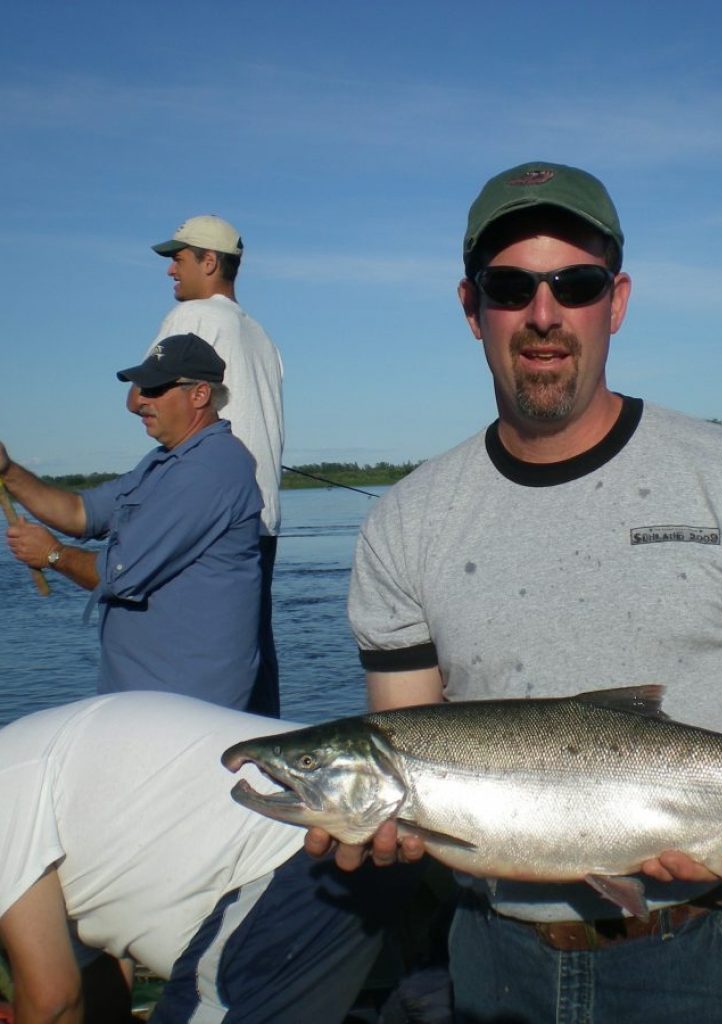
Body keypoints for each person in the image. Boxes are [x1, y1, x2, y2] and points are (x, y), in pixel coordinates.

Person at [312, 162, 722, 1022]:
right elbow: (403, 735)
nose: (543, 315)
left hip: (713, 954)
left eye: (575, 284)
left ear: (616, 301)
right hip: (494, 960)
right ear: (472, 307)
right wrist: (387, 833)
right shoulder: (404, 524)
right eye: (510, 287)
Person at [0, 690, 408, 1023]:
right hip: (365, 830)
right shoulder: (23, 760)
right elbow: (95, 990)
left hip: (297, 858)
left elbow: (52, 1001)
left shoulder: (8, 783)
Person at [1, 333, 263, 710]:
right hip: (140, 701)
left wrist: (53, 556)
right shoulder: (163, 463)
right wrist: (8, 471)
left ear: (199, 394)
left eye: (153, 389)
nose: (137, 402)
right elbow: (80, 513)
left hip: (185, 708)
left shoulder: (210, 469)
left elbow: (120, 574)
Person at [151, 215, 285, 717]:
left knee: (197, 670)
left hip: (209, 520)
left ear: (210, 262)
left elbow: (145, 398)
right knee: (252, 661)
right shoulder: (260, 336)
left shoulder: (192, 320)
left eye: (178, 258)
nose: (170, 271)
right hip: (261, 520)